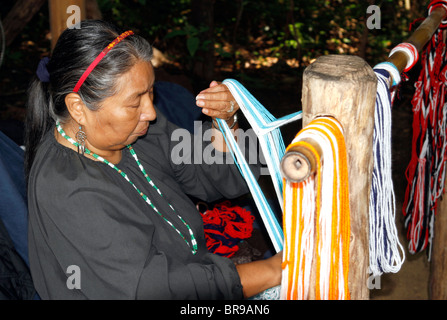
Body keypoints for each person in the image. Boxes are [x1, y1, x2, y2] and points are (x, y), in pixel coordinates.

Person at [25, 20, 281, 300]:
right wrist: (272, 271)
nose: (151, 111)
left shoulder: (140, 131)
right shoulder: (67, 189)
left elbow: (223, 179)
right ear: (78, 108)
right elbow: (153, 289)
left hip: (197, 274)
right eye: (135, 102)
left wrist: (224, 124)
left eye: (151, 93)